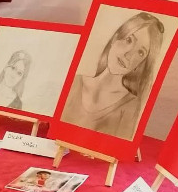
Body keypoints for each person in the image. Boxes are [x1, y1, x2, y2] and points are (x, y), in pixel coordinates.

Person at [62, 12, 165, 140]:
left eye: (140, 52)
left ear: (141, 64)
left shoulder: (130, 106)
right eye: (129, 40)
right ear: (115, 38)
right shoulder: (74, 82)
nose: (128, 54)